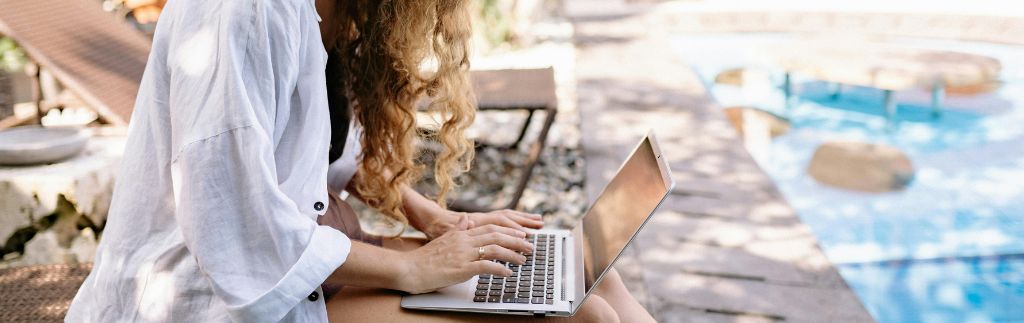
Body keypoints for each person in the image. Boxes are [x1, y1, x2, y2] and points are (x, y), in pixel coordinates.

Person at [67, 0, 655, 322]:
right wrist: (414, 269)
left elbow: (321, 162)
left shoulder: (341, 14)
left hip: (299, 270)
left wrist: (432, 220)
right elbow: (235, 229)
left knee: (587, 271)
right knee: (586, 321)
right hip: (214, 298)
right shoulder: (240, 12)